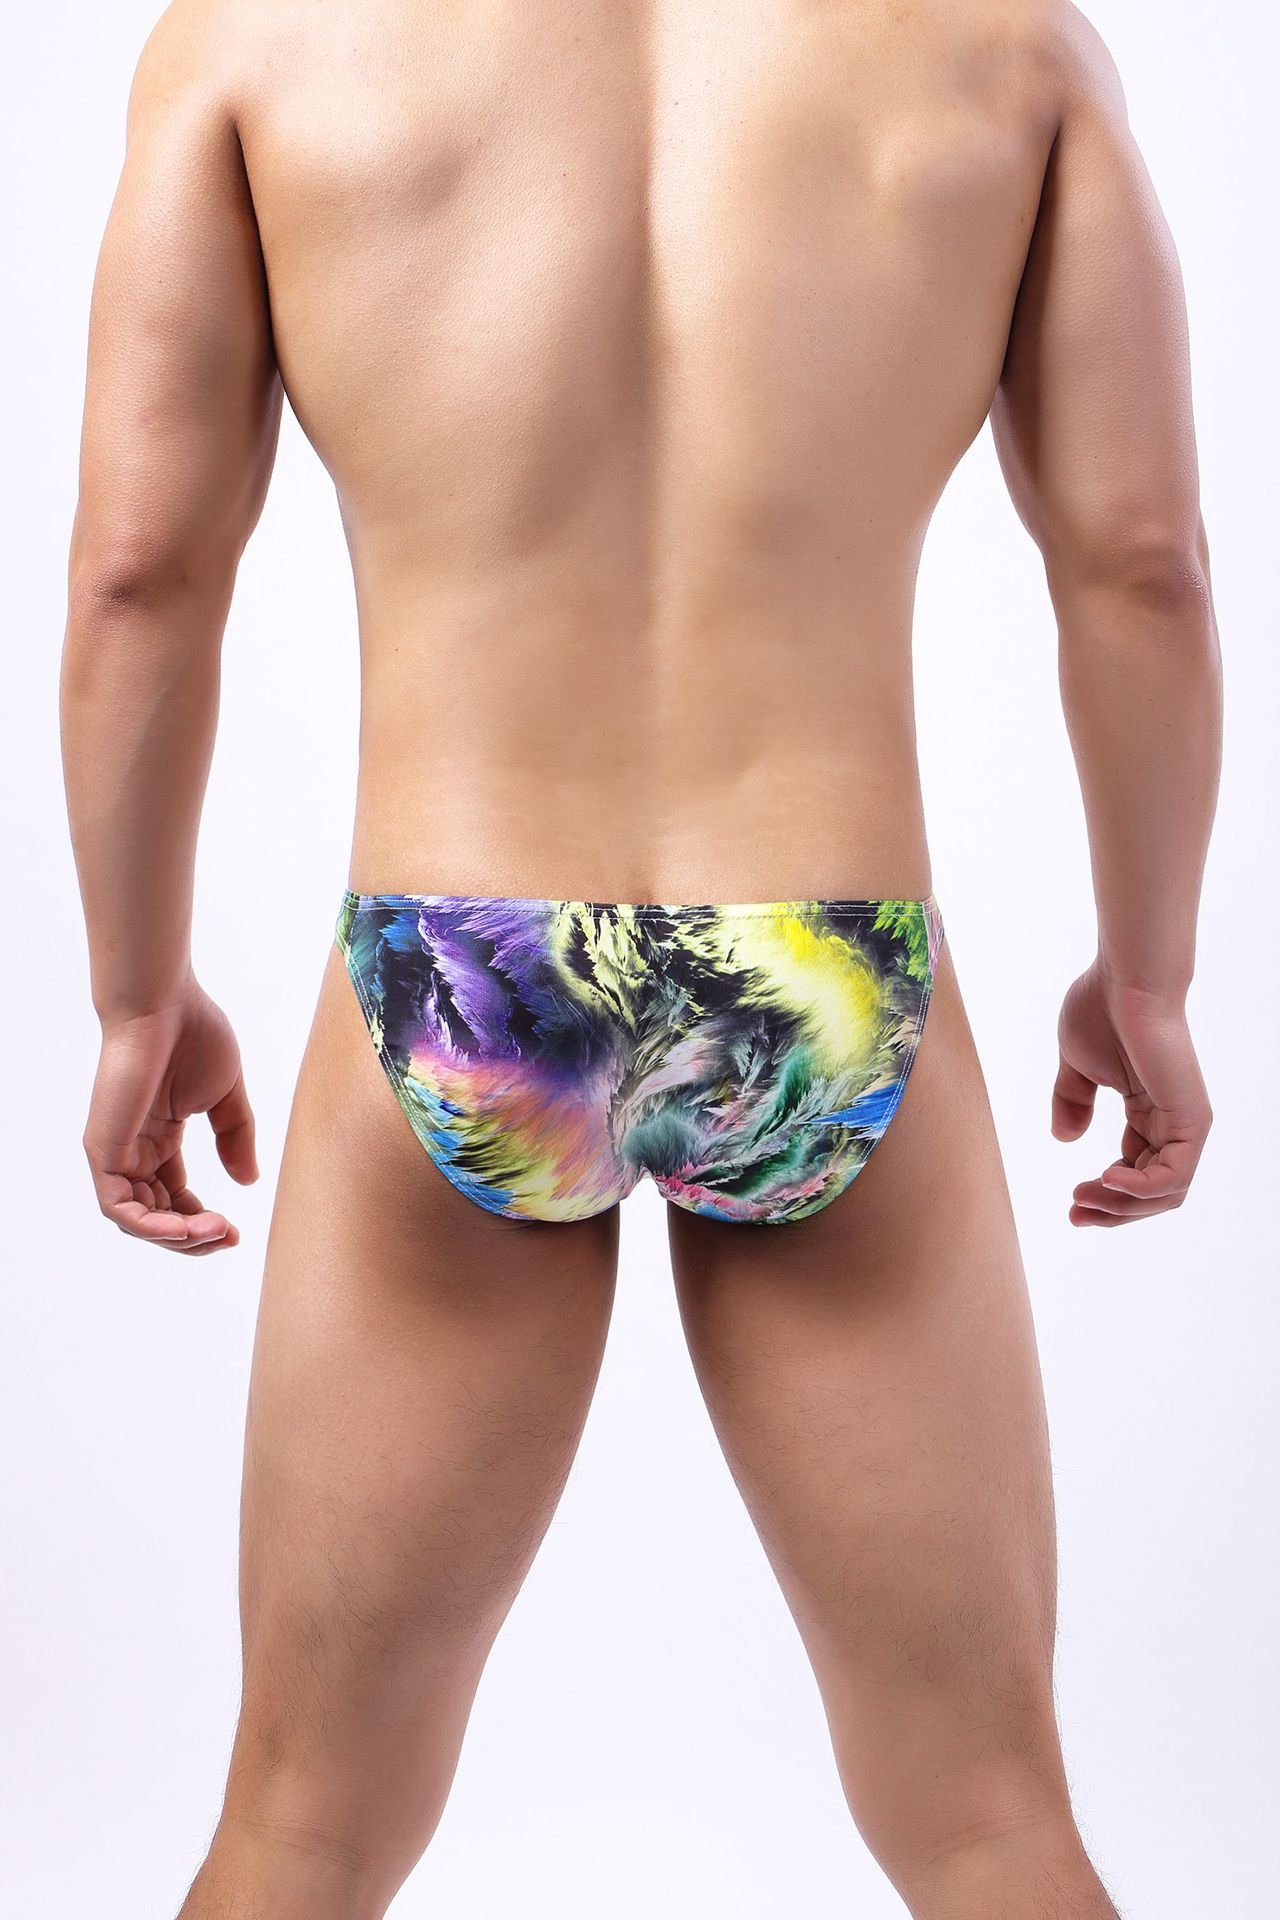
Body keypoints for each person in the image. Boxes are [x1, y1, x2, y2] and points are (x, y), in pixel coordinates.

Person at [59, 0, 1220, 1913]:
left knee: (305, 1818)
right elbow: (1143, 561)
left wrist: (134, 992)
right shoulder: (1009, 44)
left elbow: (139, 571)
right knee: (986, 1809)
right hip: (824, 969)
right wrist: (1148, 973)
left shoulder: (257, 41)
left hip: (462, 964)